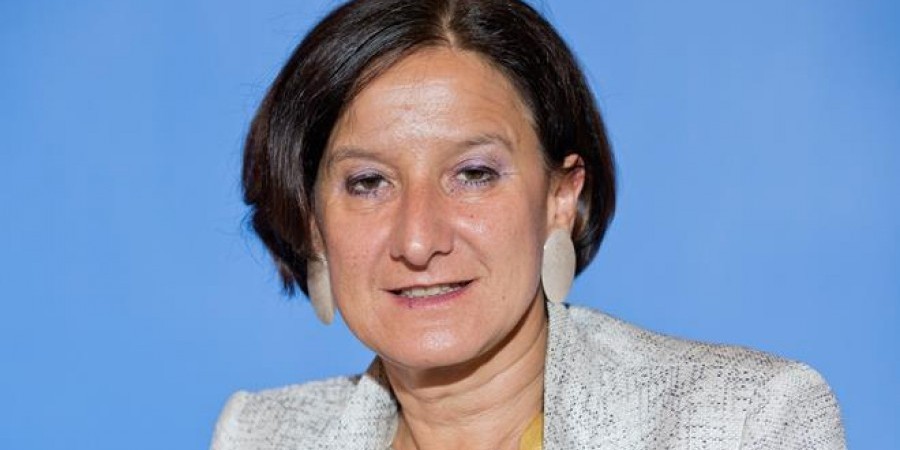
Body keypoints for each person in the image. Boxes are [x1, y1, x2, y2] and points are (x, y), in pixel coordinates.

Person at [211, 0, 846, 448]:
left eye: (473, 174)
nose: (419, 240)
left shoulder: (745, 422)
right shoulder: (259, 435)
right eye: (368, 182)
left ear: (560, 199)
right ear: (313, 223)